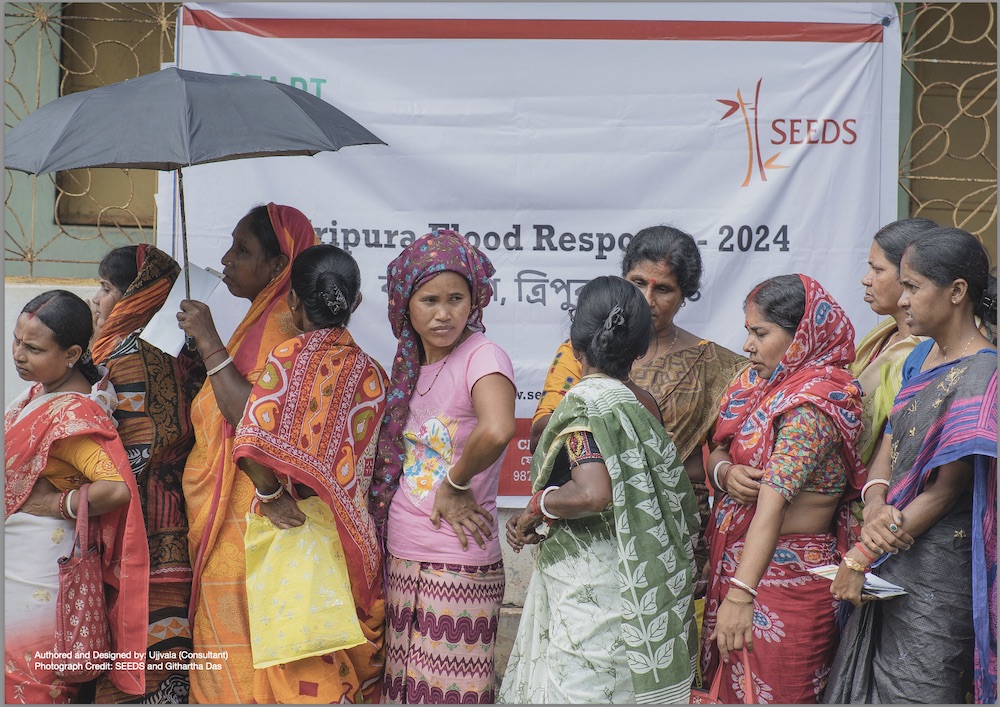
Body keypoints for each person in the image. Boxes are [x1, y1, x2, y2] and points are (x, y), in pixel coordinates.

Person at [499, 275, 700, 704]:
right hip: (638, 589)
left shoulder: (585, 403)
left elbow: (592, 494)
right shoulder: (643, 402)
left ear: (575, 344)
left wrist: (537, 507)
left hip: (590, 595)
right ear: (641, 348)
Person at [825, 228, 997, 704]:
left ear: (957, 291)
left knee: (918, 687)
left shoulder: (983, 372)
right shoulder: (921, 355)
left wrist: (861, 555)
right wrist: (875, 500)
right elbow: (890, 439)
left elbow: (946, 490)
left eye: (913, 287)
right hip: (891, 543)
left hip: (935, 566)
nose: (902, 300)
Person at [530, 225, 746, 600]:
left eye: (664, 289)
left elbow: (726, 453)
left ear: (684, 295)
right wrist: (623, 433)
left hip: (675, 530)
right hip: (591, 528)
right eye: (638, 283)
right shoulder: (581, 351)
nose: (647, 299)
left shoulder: (718, 367)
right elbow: (543, 435)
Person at [231, 243, 388, 703]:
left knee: (301, 661)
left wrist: (270, 495)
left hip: (297, 536)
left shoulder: (287, 357)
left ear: (293, 301)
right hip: (353, 540)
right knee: (347, 665)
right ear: (356, 302)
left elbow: (249, 441)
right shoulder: (373, 374)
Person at [176, 203, 318, 703]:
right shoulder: (262, 320)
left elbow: (247, 417)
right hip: (236, 510)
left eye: (242, 250)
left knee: (234, 641)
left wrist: (208, 337)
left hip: (249, 514)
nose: (226, 260)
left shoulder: (280, 328)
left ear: (279, 266)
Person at [368, 229, 516, 704]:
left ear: (474, 301)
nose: (444, 313)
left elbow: (498, 429)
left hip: (458, 558)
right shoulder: (411, 364)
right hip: (403, 551)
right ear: (405, 305)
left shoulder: (483, 355)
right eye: (429, 300)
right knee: (403, 689)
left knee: (451, 690)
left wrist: (454, 483)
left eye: (456, 299)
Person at [703, 274, 865, 704]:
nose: (748, 345)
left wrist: (742, 595)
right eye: (748, 332)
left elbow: (771, 507)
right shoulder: (758, 386)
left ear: (801, 337)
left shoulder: (812, 404)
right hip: (746, 570)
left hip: (782, 584)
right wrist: (725, 474)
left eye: (761, 333)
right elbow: (716, 449)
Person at [5, 290, 148, 704]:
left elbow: (116, 489)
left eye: (33, 348)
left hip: (38, 574)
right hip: (20, 563)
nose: (19, 354)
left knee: (27, 684)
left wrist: (55, 504)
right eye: (17, 341)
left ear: (71, 354)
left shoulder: (73, 413)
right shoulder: (41, 392)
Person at [85, 245, 205, 704]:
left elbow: (127, 447)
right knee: (168, 645)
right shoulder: (187, 350)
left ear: (134, 294)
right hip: (177, 522)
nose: (97, 299)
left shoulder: (123, 354)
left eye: (106, 287)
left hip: (135, 525)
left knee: (132, 646)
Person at [851, 218, 937, 466]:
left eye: (877, 270)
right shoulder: (881, 336)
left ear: (910, 274)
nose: (866, 279)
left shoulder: (932, 353)